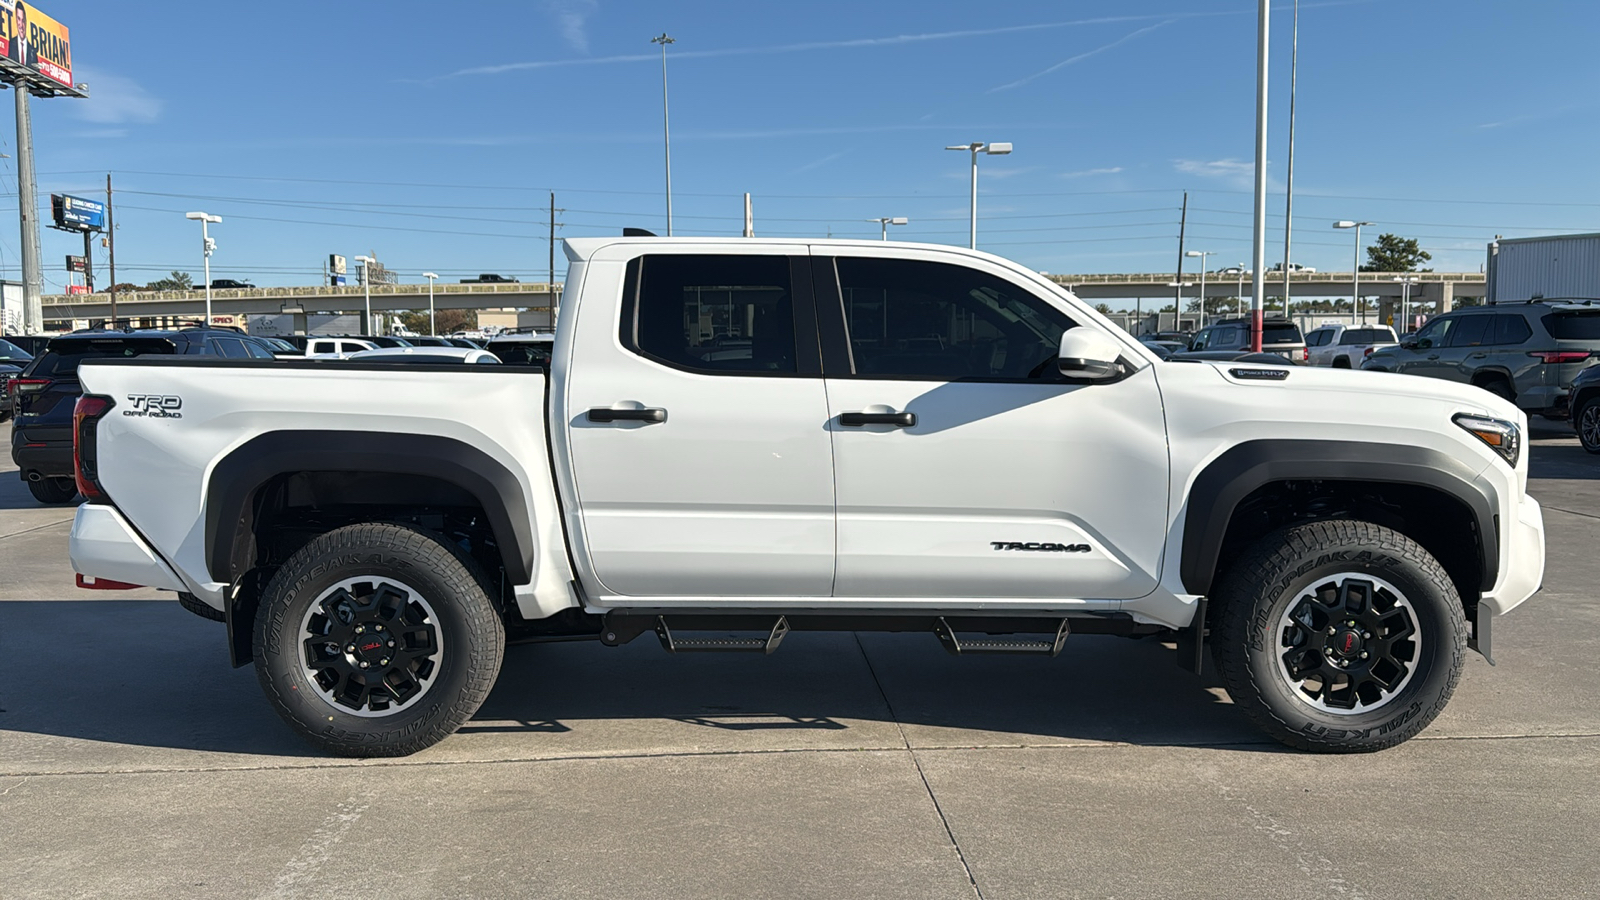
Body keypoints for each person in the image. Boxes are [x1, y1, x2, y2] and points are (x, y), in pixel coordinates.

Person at [7, 2, 35, 68]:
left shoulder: (32, 51)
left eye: (23, 20)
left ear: (26, 21)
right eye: (19, 19)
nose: (21, 25)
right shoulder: (11, 44)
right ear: (16, 20)